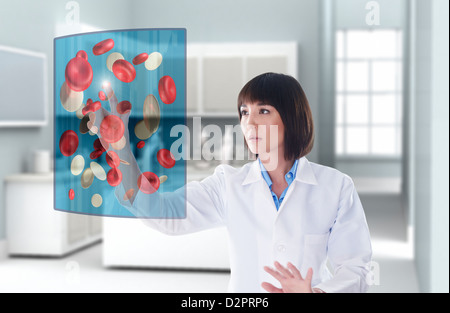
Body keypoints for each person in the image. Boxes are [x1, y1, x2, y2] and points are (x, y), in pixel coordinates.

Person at [96, 72, 372, 293]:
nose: (249, 122)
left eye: (263, 111)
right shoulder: (228, 184)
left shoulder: (336, 187)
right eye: (243, 111)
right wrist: (120, 148)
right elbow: (164, 213)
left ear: (292, 118)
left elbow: (355, 269)